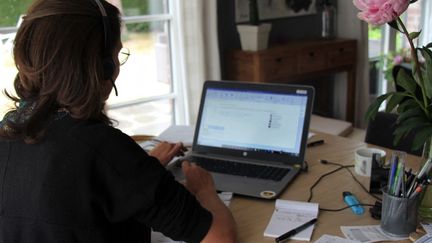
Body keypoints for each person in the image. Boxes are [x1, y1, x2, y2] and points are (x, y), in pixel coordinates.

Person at [0, 0, 237, 242]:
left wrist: (138, 171)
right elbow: (219, 237)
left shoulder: (8, 128)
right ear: (102, 67)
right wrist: (206, 190)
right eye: (117, 54)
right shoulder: (104, 149)